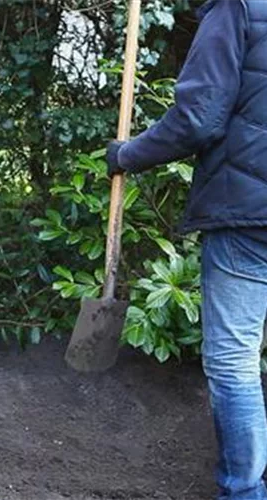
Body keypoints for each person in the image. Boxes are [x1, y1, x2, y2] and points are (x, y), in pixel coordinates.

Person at [106, 0, 267, 499]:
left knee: (234, 360)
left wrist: (128, 155)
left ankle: (244, 492)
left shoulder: (240, 8)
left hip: (251, 216)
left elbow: (200, 117)